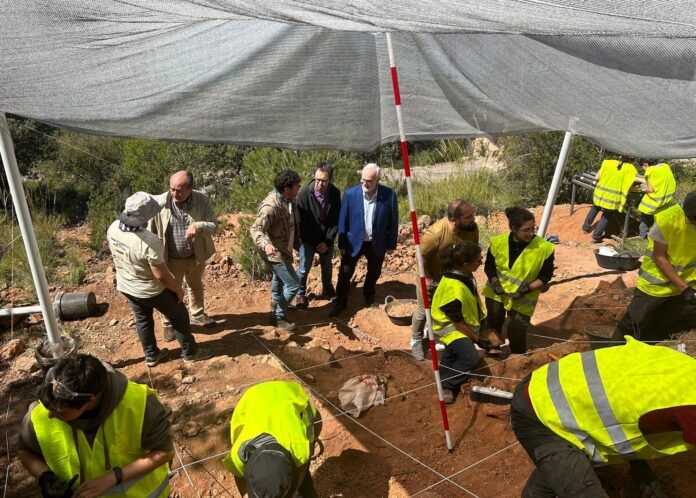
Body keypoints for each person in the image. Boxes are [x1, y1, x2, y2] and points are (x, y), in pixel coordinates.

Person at [511, 337, 696, 498]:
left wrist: (639, 467)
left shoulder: (687, 369)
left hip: (556, 386)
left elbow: (629, 404)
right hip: (540, 413)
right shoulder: (689, 407)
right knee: (576, 483)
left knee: (558, 470)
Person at [18, 354, 173, 498]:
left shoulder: (140, 404)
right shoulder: (40, 413)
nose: (50, 415)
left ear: (89, 401)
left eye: (61, 412)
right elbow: (26, 451)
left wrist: (112, 478)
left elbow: (165, 452)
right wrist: (45, 476)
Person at [108, 192, 213, 365]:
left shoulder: (113, 227)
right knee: (179, 315)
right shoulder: (149, 241)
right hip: (150, 289)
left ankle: (151, 355)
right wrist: (178, 291)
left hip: (127, 285)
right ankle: (190, 352)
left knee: (143, 319)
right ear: (147, 216)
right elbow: (161, 276)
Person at [612, 191, 696, 343]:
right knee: (632, 323)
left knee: (662, 324)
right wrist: (685, 288)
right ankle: (611, 353)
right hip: (655, 285)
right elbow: (660, 257)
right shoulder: (667, 220)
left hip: (685, 286)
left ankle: (647, 352)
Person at [150, 170, 219, 342]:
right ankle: (169, 323)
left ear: (190, 189)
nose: (174, 194)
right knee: (171, 291)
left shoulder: (201, 200)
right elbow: (151, 230)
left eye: (179, 190)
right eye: (172, 189)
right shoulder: (161, 202)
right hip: (171, 258)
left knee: (195, 286)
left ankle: (197, 314)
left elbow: (214, 225)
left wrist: (199, 226)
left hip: (195, 255)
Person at [430, 242, 502, 404]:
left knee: (452, 354)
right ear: (465, 264)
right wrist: (479, 340)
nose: (480, 263)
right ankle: (447, 384)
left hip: (459, 327)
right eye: (478, 260)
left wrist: (484, 329)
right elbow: (458, 324)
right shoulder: (453, 287)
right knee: (470, 358)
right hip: (450, 329)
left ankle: (444, 381)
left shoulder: (465, 276)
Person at [223, 381, 321, 498]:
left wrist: (293, 491)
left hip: (289, 393)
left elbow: (302, 468)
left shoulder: (300, 449)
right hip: (253, 398)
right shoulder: (238, 459)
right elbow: (239, 477)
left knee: (305, 486)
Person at [410, 199, 479, 361]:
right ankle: (416, 339)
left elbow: (471, 251)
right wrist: (427, 278)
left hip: (451, 278)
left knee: (445, 310)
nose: (473, 220)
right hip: (430, 277)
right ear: (454, 220)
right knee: (423, 311)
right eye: (468, 217)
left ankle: (437, 334)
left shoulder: (471, 229)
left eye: (473, 216)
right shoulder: (436, 234)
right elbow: (420, 256)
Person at [482, 207, 554, 354]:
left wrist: (526, 289)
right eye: (526, 230)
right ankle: (493, 349)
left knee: (517, 329)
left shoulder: (544, 248)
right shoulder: (497, 242)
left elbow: (546, 275)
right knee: (494, 321)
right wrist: (495, 282)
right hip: (497, 293)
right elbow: (489, 266)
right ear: (514, 229)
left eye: (533, 228)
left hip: (524, 296)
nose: (531, 233)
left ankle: (518, 356)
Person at [330, 163, 398, 316]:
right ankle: (340, 301)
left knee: (374, 272)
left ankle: (369, 296)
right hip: (353, 242)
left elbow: (393, 222)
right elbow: (343, 220)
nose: (365, 183)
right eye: (363, 180)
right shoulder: (350, 194)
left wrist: (391, 243)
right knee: (345, 272)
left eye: (369, 181)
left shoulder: (389, 195)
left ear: (378, 180)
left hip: (377, 242)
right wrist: (341, 242)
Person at [251, 170, 302, 331]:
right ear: (287, 188)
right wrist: (266, 245)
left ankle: (276, 302)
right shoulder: (271, 206)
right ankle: (277, 316)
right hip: (274, 252)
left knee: (279, 278)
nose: (299, 187)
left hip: (284, 249)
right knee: (294, 284)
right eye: (296, 185)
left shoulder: (289, 200)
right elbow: (256, 229)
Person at [295, 162, 341, 309]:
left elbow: (335, 219)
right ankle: (300, 294)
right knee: (304, 266)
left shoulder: (334, 193)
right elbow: (302, 224)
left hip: (326, 238)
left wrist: (327, 241)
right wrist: (316, 243)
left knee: (327, 266)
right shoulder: (303, 194)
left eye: (324, 180)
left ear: (330, 180)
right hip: (308, 238)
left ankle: (327, 289)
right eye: (317, 179)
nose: (320, 183)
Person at [582, 156, 638, 243]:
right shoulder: (630, 168)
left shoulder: (607, 162)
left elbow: (597, 178)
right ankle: (595, 237)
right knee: (606, 216)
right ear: (632, 160)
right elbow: (631, 184)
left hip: (600, 194)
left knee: (594, 209)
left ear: (619, 156)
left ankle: (585, 228)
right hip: (613, 198)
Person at [636, 161, 676, 238]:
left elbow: (650, 190)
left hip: (653, 202)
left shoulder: (649, 171)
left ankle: (642, 237)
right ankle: (655, 236)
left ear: (645, 164)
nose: (642, 169)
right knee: (657, 221)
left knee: (645, 219)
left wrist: (643, 189)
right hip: (665, 200)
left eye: (642, 167)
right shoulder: (665, 166)